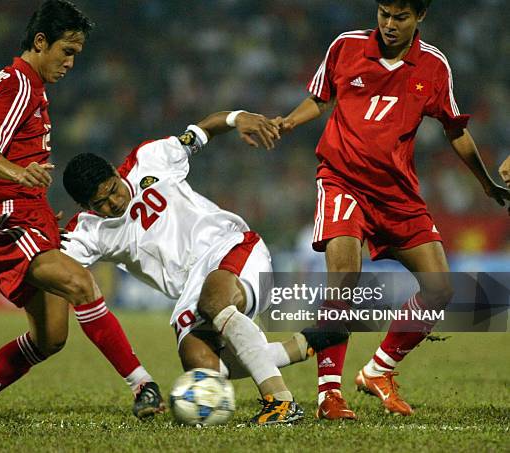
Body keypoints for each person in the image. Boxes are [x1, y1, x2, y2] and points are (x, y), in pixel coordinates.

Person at [0, 0, 164, 423]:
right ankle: (143, 384)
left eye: (76, 55)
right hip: (11, 216)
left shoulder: (13, 84)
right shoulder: (20, 86)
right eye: (67, 51)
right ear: (41, 41)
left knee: (51, 337)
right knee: (81, 283)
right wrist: (17, 175)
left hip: (28, 213)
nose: (70, 63)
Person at [273, 0, 510, 419]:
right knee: (344, 278)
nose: (389, 24)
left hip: (397, 193)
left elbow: (456, 131)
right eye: (383, 13)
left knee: (440, 289)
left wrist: (487, 183)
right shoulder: (345, 47)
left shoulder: (434, 66)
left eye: (400, 17)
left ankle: (379, 370)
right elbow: (320, 98)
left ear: (420, 17)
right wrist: (290, 122)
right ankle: (329, 393)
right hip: (342, 179)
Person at [60, 110, 311, 425]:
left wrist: (237, 118)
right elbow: (52, 267)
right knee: (201, 362)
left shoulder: (150, 158)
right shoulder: (85, 232)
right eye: (102, 203)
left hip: (232, 246)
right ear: (85, 207)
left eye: (113, 189)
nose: (115, 202)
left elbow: (204, 130)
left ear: (114, 170)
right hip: (193, 287)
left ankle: (281, 403)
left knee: (214, 302)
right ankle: (299, 347)